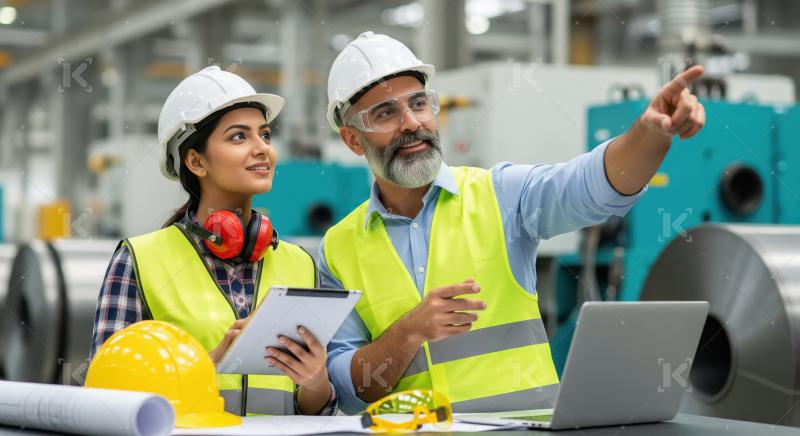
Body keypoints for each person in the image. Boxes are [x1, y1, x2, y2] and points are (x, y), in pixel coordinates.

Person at [319, 31, 706, 414]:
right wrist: (409, 332)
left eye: (419, 103)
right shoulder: (338, 248)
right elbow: (348, 390)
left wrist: (649, 134)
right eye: (386, 112)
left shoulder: (501, 195)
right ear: (353, 140)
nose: (411, 122)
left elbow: (590, 187)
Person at [89, 66, 336, 416]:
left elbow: (313, 411)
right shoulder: (139, 260)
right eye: (239, 137)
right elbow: (105, 400)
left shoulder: (300, 263)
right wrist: (211, 363)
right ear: (196, 161)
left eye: (264, 135)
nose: (261, 148)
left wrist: (315, 380)